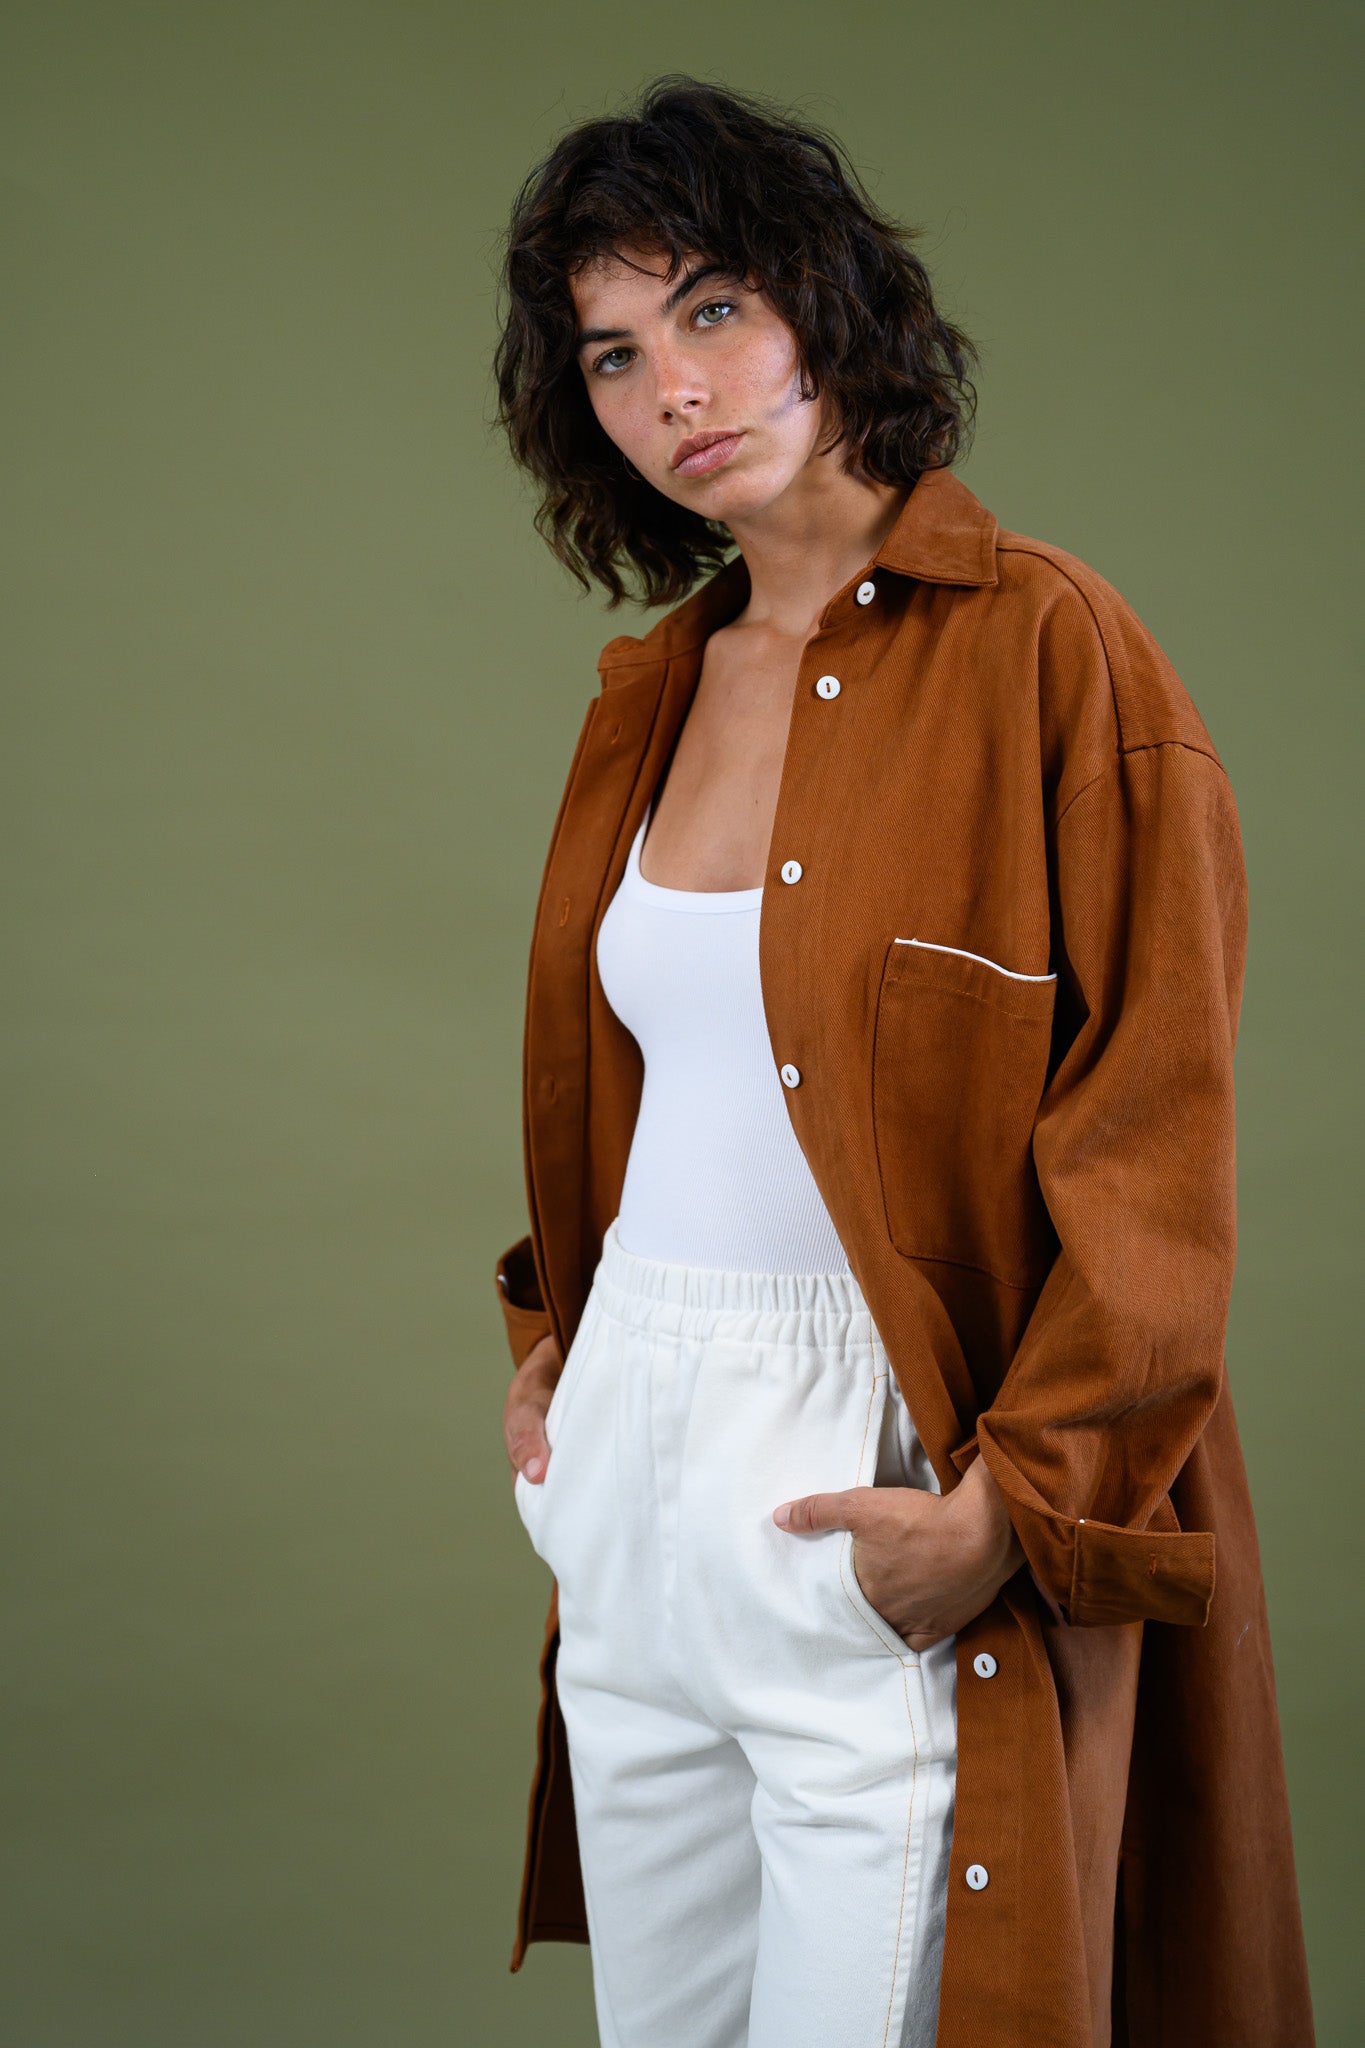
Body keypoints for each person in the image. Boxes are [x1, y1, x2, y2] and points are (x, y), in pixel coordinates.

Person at [489, 74, 1313, 2048]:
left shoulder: (1051, 654)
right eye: (609, 351)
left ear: (822, 297)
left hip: (871, 1468)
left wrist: (1013, 1508)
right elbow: (644, 1083)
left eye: (706, 308)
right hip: (632, 1492)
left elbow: (1150, 1131)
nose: (666, 386)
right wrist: (560, 1340)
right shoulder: (652, 694)